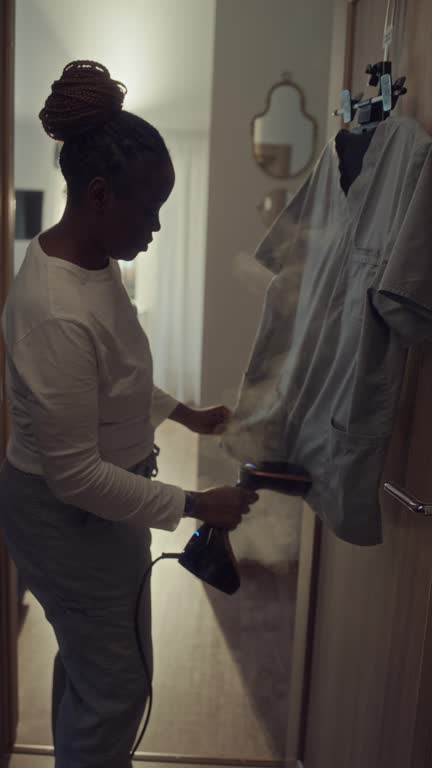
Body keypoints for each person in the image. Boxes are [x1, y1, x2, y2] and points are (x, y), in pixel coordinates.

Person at [0, 60, 258, 768]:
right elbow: (76, 476)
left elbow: (116, 376)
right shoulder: (54, 311)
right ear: (100, 194)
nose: (156, 226)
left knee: (100, 671)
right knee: (117, 687)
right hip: (65, 515)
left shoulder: (94, 264)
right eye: (149, 210)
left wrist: (186, 416)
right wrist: (195, 500)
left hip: (102, 504)